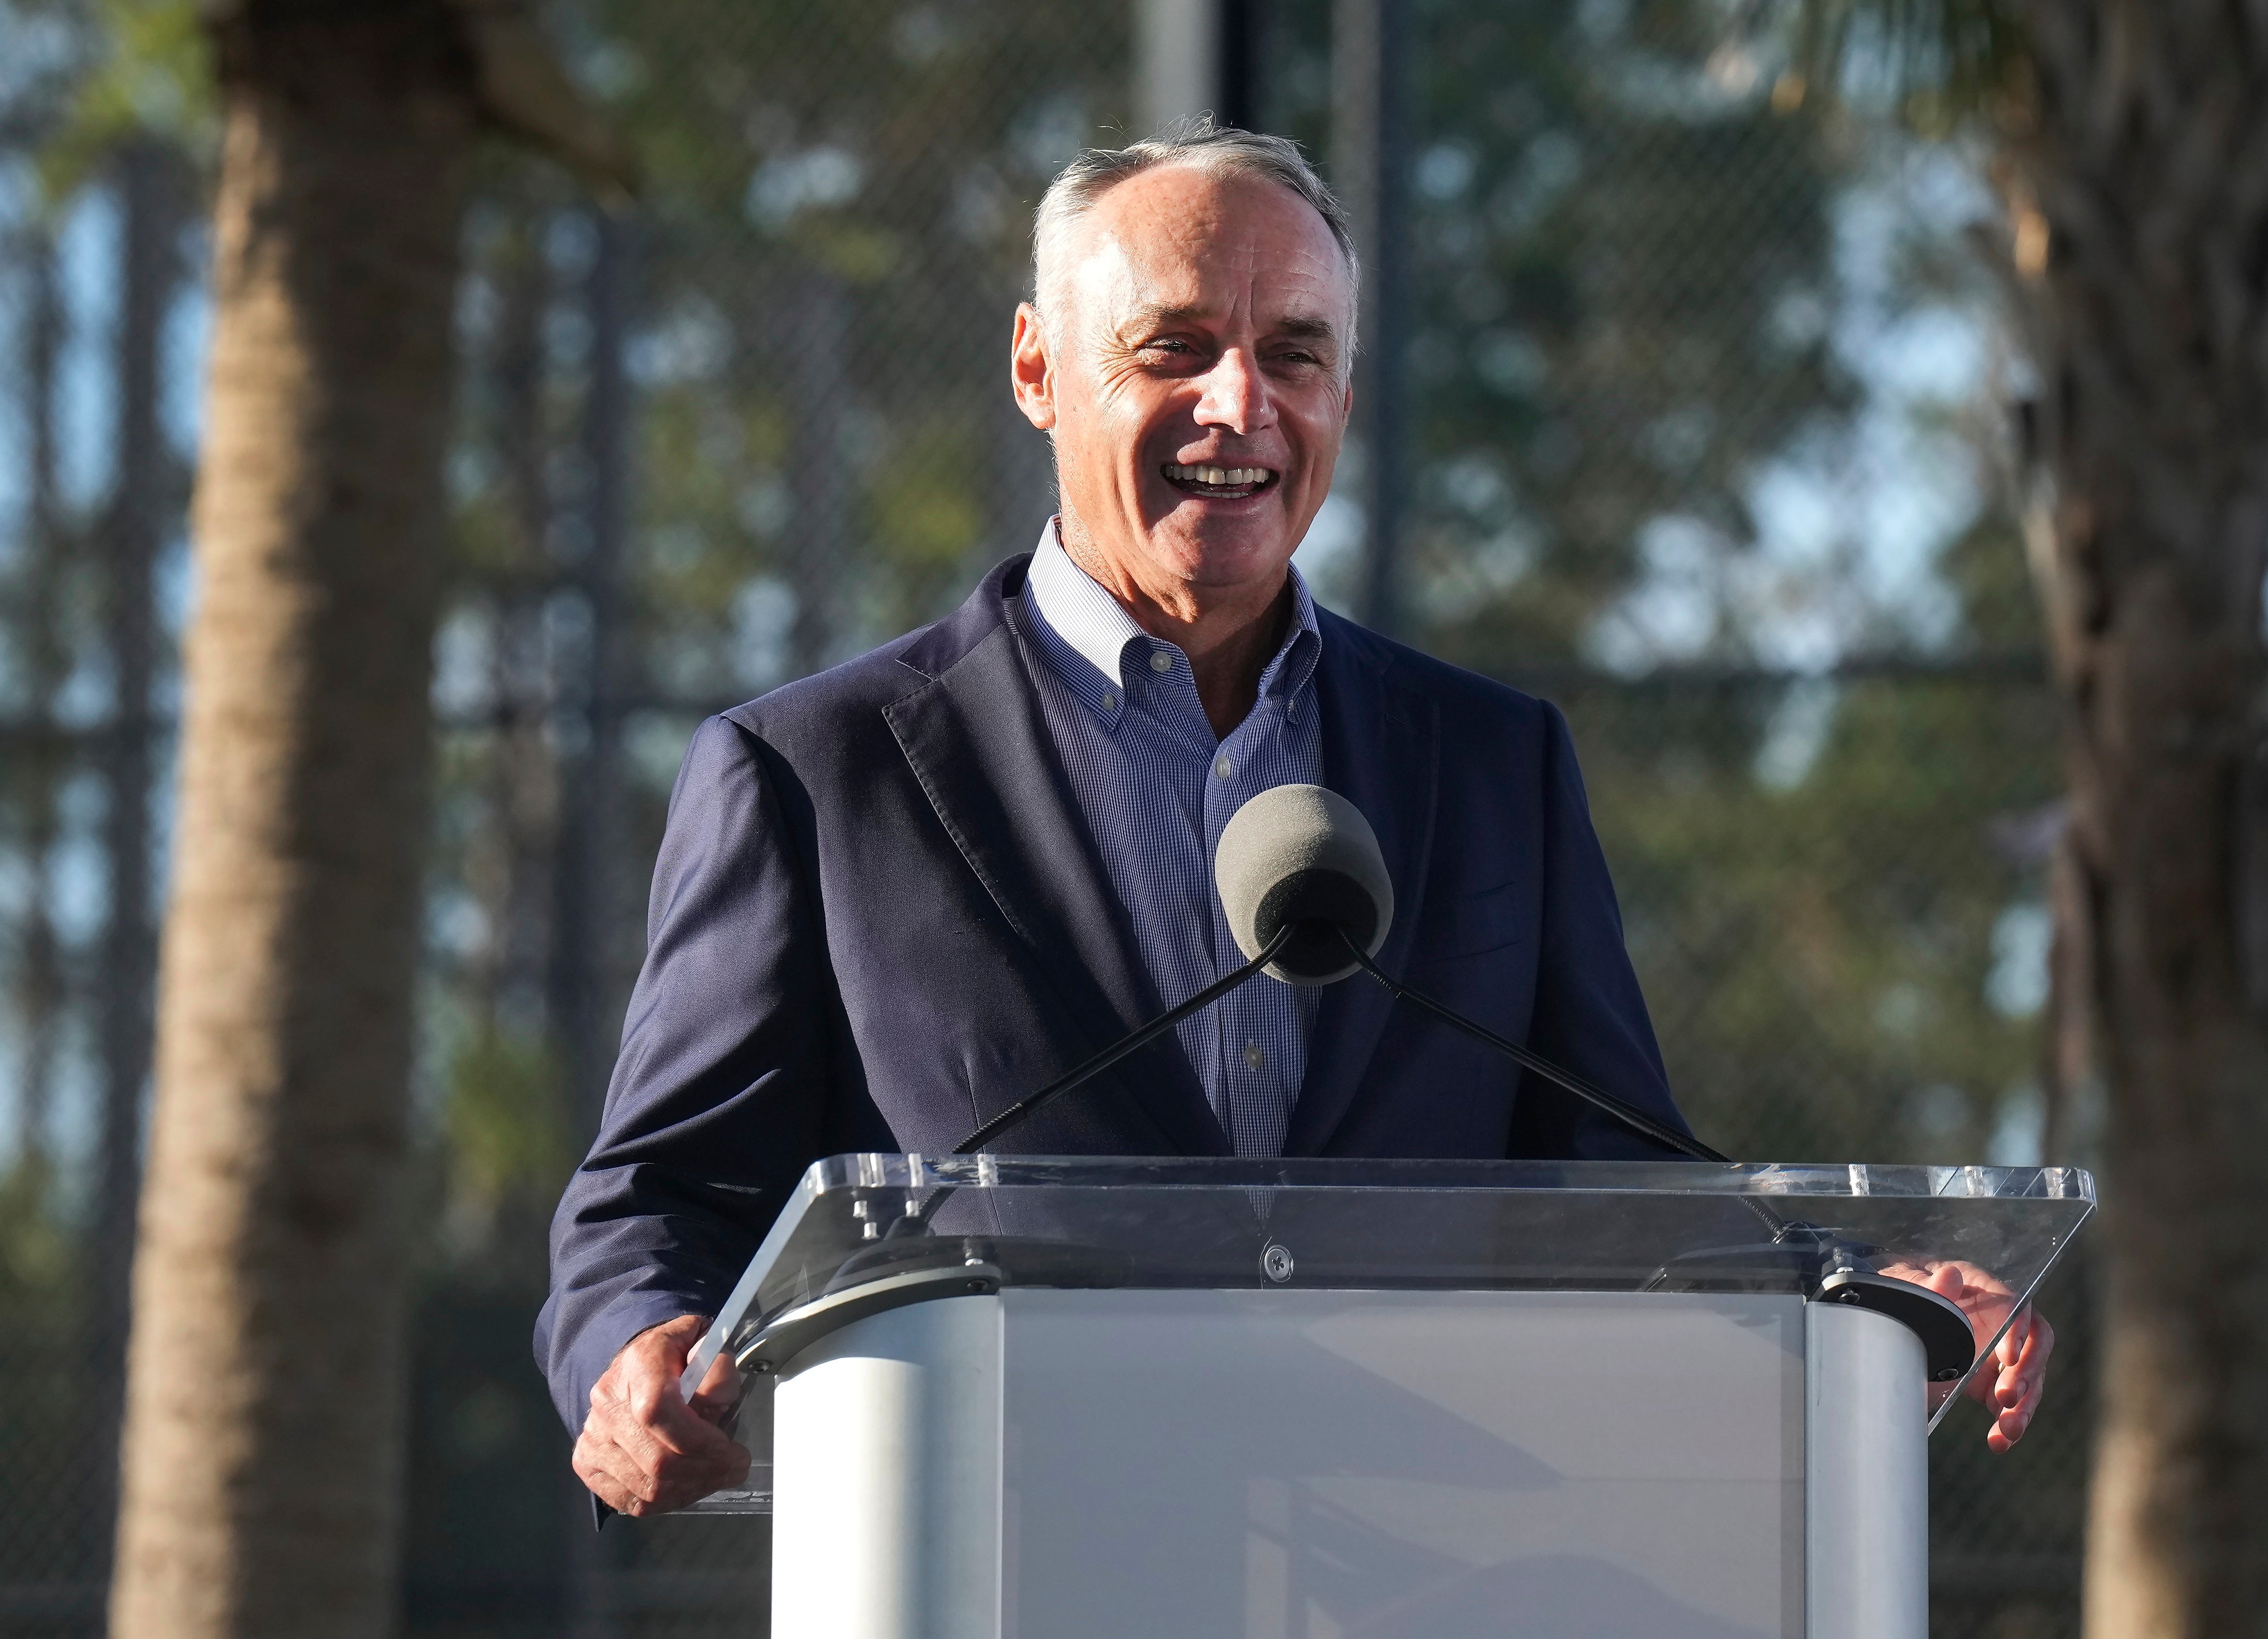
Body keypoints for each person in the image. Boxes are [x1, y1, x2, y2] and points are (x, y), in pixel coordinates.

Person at [539, 125, 2051, 1518]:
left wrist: (1864, 1304)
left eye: (1296, 352)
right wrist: (632, 1352)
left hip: (1436, 1564)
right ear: (1036, 367)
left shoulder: (1490, 761)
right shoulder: (817, 771)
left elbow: (1618, 1183)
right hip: (997, 1548)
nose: (1240, 405)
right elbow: (654, 1199)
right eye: (1175, 347)